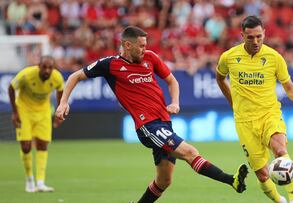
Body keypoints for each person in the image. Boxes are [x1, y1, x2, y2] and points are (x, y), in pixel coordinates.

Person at [55, 26, 248, 203]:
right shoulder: (110, 65)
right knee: (190, 153)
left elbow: (172, 81)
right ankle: (232, 180)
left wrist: (175, 102)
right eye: (141, 46)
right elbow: (75, 76)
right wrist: (63, 102)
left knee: (164, 181)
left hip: (164, 123)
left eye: (146, 45)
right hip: (147, 125)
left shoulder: (150, 57)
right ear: (127, 45)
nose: (144, 49)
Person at [216, 16, 293, 203]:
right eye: (250, 38)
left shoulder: (274, 57)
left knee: (280, 151)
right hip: (245, 121)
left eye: (259, 36)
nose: (255, 41)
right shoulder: (229, 57)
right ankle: (280, 201)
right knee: (263, 175)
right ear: (242, 35)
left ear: (264, 33)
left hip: (269, 114)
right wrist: (231, 101)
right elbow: (220, 77)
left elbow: (287, 85)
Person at [8, 56, 64, 192]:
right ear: (39, 66)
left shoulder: (57, 77)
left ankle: (40, 182)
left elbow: (60, 91)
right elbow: (11, 88)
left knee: (43, 144)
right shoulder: (26, 75)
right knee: (26, 146)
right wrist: (15, 112)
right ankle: (29, 179)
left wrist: (59, 110)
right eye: (44, 67)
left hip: (43, 111)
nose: (47, 70)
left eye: (50, 68)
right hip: (24, 110)